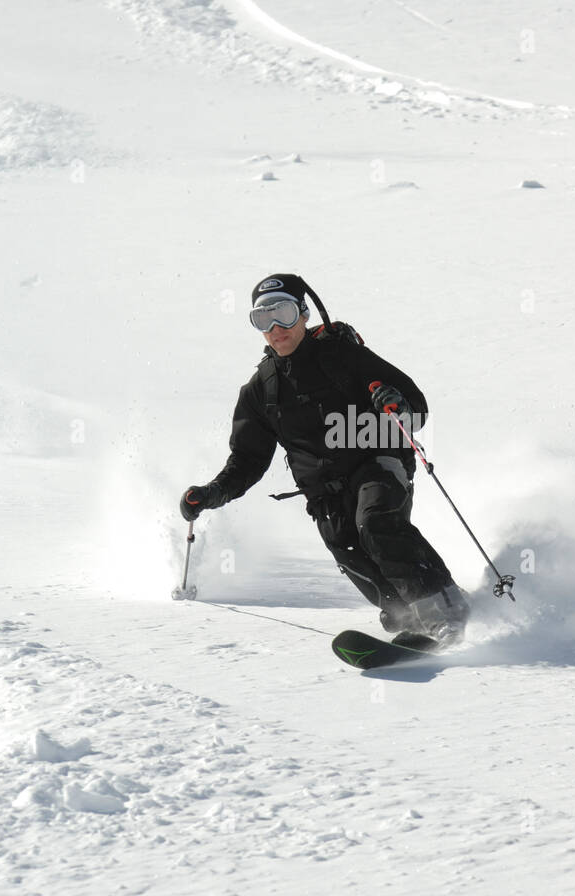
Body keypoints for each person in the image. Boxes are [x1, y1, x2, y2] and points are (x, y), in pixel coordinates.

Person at [180, 273, 469, 645]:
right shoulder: (260, 390)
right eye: (262, 319)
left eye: (282, 313)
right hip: (324, 495)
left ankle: (444, 611)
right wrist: (211, 493)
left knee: (376, 523)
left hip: (377, 462)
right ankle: (412, 619)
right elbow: (248, 460)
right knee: (351, 553)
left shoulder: (344, 357)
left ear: (302, 313)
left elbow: (415, 409)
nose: (275, 328)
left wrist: (394, 403)